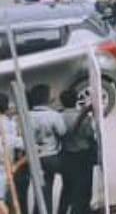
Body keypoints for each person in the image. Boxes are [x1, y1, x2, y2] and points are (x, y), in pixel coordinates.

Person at [27, 84, 66, 214]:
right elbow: (62, 131)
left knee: (41, 189)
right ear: (46, 98)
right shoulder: (53, 115)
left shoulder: (26, 116)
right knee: (47, 187)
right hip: (51, 156)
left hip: (34, 158)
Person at [58, 90, 95, 214]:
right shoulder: (83, 117)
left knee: (67, 186)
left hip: (66, 154)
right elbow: (89, 134)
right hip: (82, 154)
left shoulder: (59, 117)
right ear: (76, 101)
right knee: (84, 186)